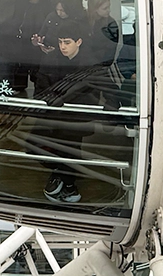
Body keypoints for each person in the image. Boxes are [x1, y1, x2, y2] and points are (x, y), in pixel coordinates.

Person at [32, 19, 116, 203]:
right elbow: (40, 86)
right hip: (54, 116)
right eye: (60, 42)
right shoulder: (51, 59)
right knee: (40, 147)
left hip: (76, 118)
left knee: (68, 151)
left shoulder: (92, 64)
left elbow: (111, 90)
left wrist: (110, 114)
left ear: (79, 41)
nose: (62, 47)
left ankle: (67, 183)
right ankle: (65, 180)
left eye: (67, 42)